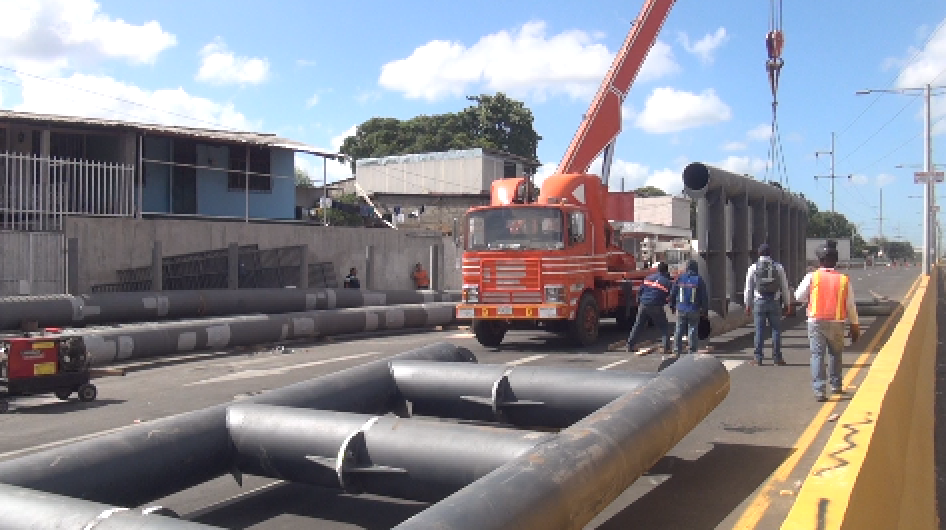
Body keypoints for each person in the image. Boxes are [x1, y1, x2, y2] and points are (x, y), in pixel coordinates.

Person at [795, 241, 860, 401]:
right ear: (835, 261)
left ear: (820, 260)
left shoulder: (812, 276)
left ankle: (819, 390)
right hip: (837, 322)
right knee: (835, 354)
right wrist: (855, 325)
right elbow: (850, 305)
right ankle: (836, 385)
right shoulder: (844, 279)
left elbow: (798, 296)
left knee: (817, 355)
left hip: (816, 321)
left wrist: (810, 298)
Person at [744, 243, 793, 366]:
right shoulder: (778, 267)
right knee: (776, 330)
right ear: (770, 254)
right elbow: (784, 287)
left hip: (759, 302)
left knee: (759, 331)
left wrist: (747, 304)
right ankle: (777, 358)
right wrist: (788, 304)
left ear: (759, 254)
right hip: (774, 301)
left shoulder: (753, 268)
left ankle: (758, 358)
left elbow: (748, 289)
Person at [625, 262, 673, 357]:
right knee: (664, 326)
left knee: (638, 325)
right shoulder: (667, 282)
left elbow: (640, 291)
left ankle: (630, 345)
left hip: (643, 304)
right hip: (656, 305)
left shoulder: (648, 278)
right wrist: (670, 305)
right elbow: (670, 296)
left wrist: (638, 301)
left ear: (658, 269)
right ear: (666, 271)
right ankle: (666, 347)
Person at [670, 260, 709, 356]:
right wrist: (704, 311)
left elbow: (673, 293)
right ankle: (692, 352)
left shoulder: (680, 278)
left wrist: (672, 305)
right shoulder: (698, 279)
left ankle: (676, 351)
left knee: (679, 329)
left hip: (681, 308)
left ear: (686, 268)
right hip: (693, 309)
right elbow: (704, 296)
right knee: (692, 330)